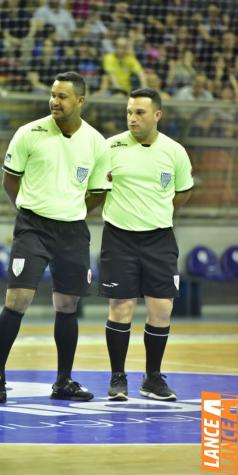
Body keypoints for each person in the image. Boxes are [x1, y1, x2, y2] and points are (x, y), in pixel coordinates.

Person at [0, 71, 112, 403]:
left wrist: (71, 209)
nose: (55, 101)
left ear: (80, 101)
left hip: (72, 231)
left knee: (67, 305)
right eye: (53, 95)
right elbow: (10, 182)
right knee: (17, 301)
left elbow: (98, 192)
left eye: (63, 96)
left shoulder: (97, 143)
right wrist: (32, 211)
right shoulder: (29, 133)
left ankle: (64, 381)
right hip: (32, 227)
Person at [98, 88, 194, 402]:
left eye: (139, 112)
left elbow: (183, 192)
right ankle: (118, 378)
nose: (132, 118)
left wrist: (158, 211)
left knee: (161, 309)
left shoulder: (175, 151)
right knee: (121, 307)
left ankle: (152, 378)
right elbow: (95, 187)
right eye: (129, 112)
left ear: (157, 115)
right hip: (119, 236)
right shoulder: (110, 147)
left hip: (159, 238)